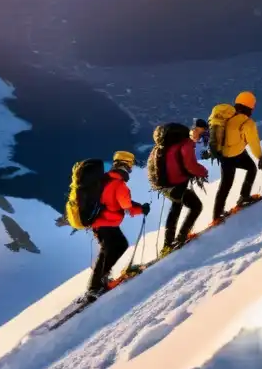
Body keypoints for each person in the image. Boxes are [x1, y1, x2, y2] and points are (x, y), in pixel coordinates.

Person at [88, 151, 149, 297]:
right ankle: (95, 287)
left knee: (112, 248)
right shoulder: (119, 184)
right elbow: (126, 206)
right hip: (106, 223)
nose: (131, 168)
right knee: (114, 248)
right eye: (130, 165)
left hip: (102, 222)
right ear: (126, 165)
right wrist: (142, 209)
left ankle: (99, 281)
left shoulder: (105, 179)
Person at [213, 91, 262, 221]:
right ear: (251, 107)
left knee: (225, 185)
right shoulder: (247, 122)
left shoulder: (226, 117)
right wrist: (260, 156)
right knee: (251, 168)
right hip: (237, 154)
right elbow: (253, 142)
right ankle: (244, 197)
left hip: (224, 156)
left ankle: (217, 214)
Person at [161, 120, 210, 255]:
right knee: (196, 206)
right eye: (200, 131)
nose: (199, 135)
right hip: (177, 183)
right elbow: (190, 165)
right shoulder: (187, 143)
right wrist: (203, 172)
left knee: (176, 208)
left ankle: (168, 243)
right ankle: (181, 237)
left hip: (166, 183)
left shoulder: (175, 142)